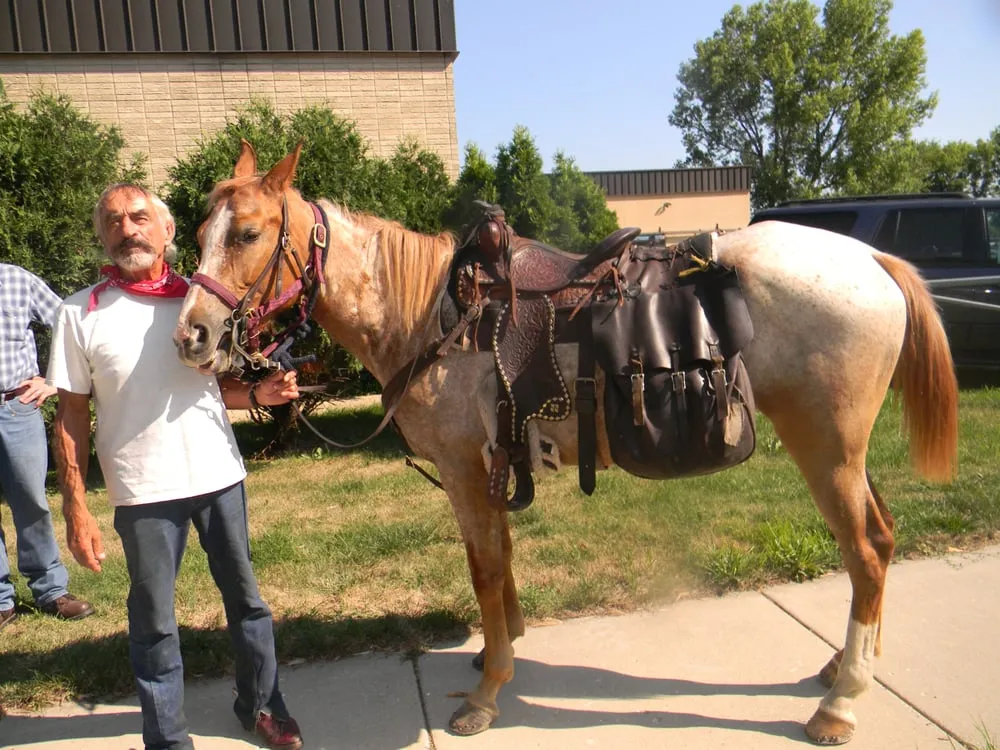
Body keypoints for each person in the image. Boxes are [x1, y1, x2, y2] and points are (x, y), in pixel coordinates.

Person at [48, 183, 304, 750]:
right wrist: (75, 506)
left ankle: (263, 704)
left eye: (140, 217)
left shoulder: (199, 299)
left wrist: (260, 393)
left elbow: (214, 388)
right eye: (113, 221)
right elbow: (69, 416)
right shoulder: (78, 312)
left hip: (218, 475)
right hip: (141, 493)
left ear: (166, 232)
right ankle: (166, 736)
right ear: (102, 236)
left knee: (247, 603)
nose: (128, 229)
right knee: (154, 621)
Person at [0, 263, 94, 631]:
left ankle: (51, 589)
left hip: (16, 407)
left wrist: (54, 381)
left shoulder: (16, 280)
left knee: (32, 502)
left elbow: (71, 325)